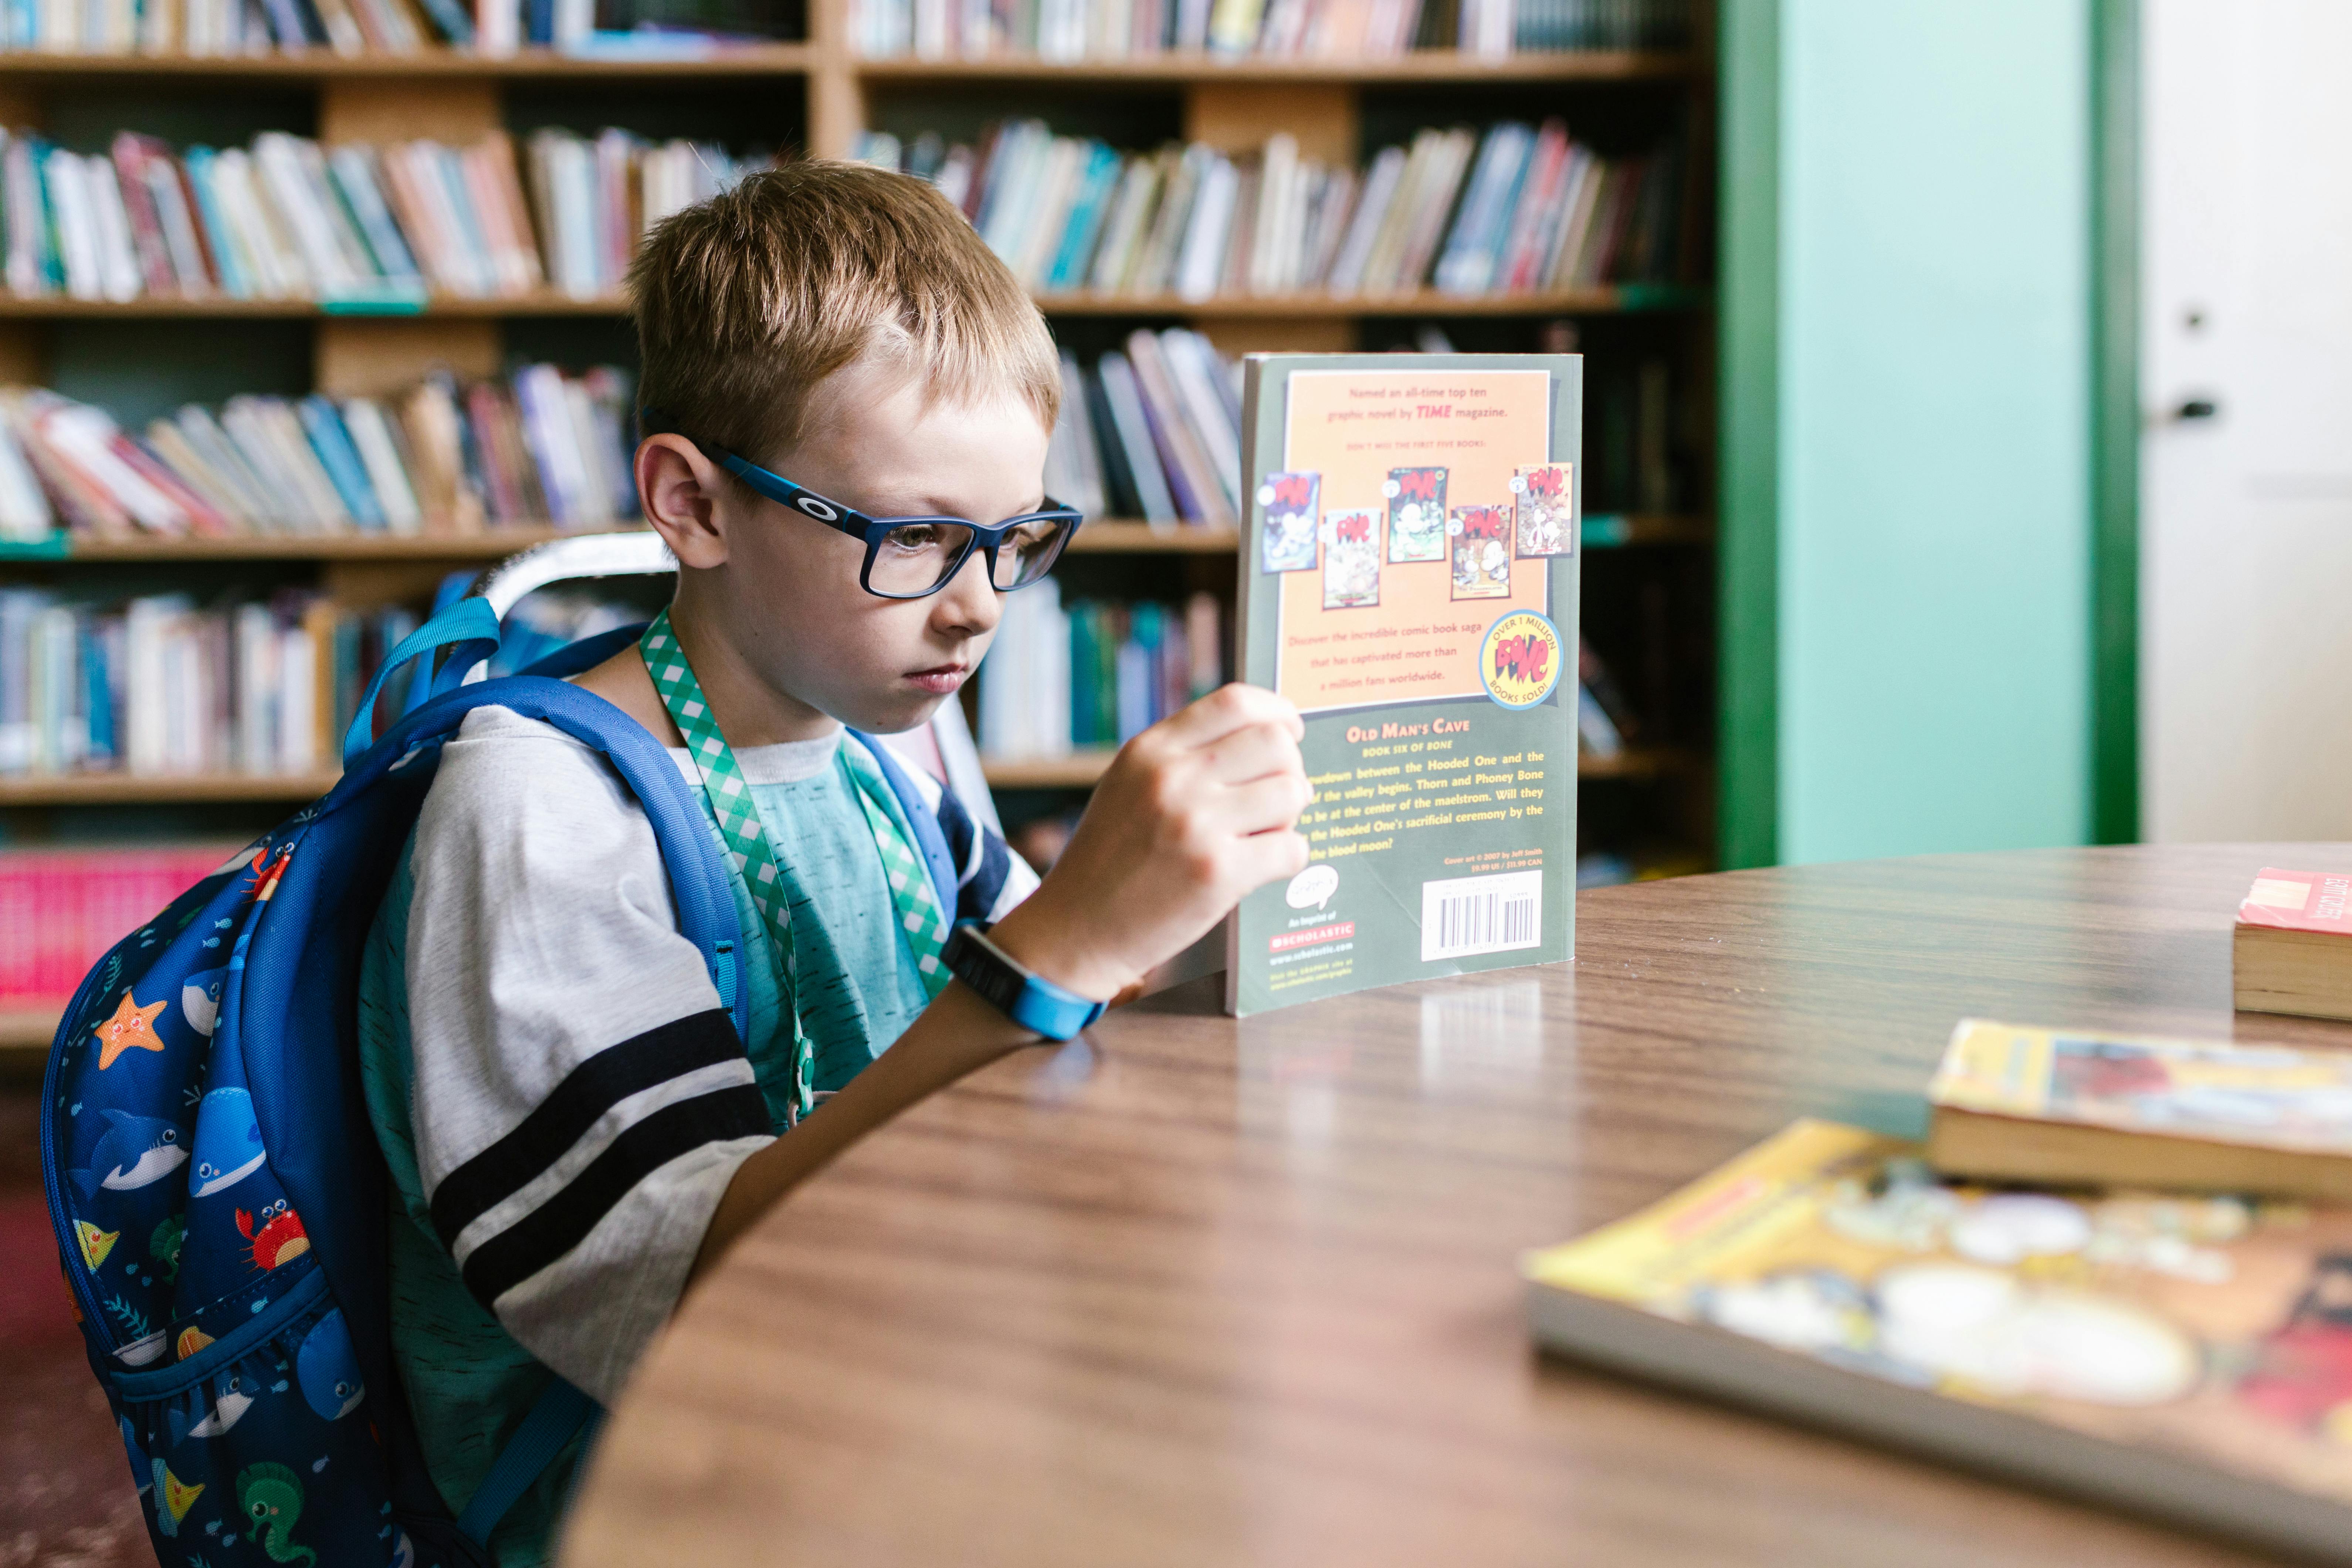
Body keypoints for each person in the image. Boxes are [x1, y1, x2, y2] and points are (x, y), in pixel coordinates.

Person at [356, 160, 1312, 1565]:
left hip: (901, 1337)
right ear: (692, 504)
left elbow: (1035, 1041)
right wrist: (1061, 948)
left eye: (1012, 539)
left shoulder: (876, 733)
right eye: (916, 537)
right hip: (645, 1482)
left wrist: (1193, 910)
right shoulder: (539, 808)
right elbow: (678, 1292)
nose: (978, 607)